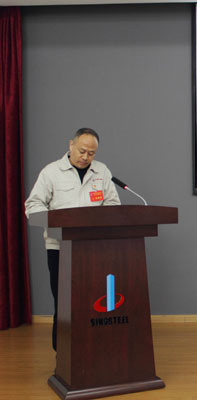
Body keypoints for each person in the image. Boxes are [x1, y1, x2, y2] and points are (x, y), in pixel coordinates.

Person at [25, 127, 121, 351]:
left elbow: (113, 205)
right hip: (60, 248)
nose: (85, 157)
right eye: (82, 151)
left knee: (94, 301)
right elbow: (33, 205)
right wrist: (56, 221)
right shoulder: (51, 172)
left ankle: (93, 352)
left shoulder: (102, 171)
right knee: (64, 304)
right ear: (71, 145)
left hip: (93, 249)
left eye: (91, 153)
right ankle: (63, 357)